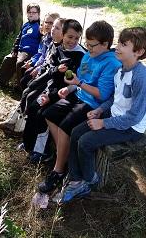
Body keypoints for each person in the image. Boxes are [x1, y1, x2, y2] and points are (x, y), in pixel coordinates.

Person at [59, 27, 146, 203]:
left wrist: (104, 122)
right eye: (119, 42)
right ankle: (76, 180)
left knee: (86, 141)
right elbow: (115, 98)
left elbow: (135, 116)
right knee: (76, 132)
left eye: (124, 44)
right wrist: (100, 110)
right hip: (114, 115)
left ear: (138, 52)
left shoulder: (140, 77)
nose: (118, 47)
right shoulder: (120, 70)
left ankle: (90, 179)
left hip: (131, 127)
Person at [38, 21, 121, 193]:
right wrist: (69, 88)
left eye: (92, 45)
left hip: (92, 105)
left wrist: (79, 83)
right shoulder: (88, 55)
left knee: (65, 126)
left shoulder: (111, 63)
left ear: (105, 44)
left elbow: (102, 95)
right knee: (49, 113)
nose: (87, 48)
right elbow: (79, 81)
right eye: (87, 44)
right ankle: (65, 153)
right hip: (78, 96)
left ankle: (58, 170)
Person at [19, 19, 85, 156]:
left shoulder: (80, 55)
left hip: (66, 94)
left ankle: (42, 151)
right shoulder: (59, 49)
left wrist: (51, 97)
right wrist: (46, 93)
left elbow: (72, 83)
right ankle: (27, 143)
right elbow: (51, 72)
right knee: (32, 105)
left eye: (77, 38)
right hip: (51, 89)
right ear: (63, 35)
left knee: (43, 113)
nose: (73, 41)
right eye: (70, 37)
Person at [0, 3, 41, 87]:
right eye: (29, 12)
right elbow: (19, 38)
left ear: (38, 14)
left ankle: (20, 87)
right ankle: (0, 82)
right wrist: (15, 49)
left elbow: (42, 42)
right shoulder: (25, 25)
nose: (31, 14)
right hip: (20, 50)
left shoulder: (40, 26)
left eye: (34, 12)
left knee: (20, 63)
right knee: (8, 58)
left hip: (30, 52)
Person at [20, 12, 60, 91]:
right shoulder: (45, 37)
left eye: (51, 23)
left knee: (28, 81)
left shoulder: (55, 40)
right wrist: (32, 62)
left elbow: (48, 59)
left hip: (47, 69)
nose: (47, 25)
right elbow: (40, 54)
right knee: (25, 73)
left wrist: (37, 68)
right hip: (40, 64)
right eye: (46, 22)